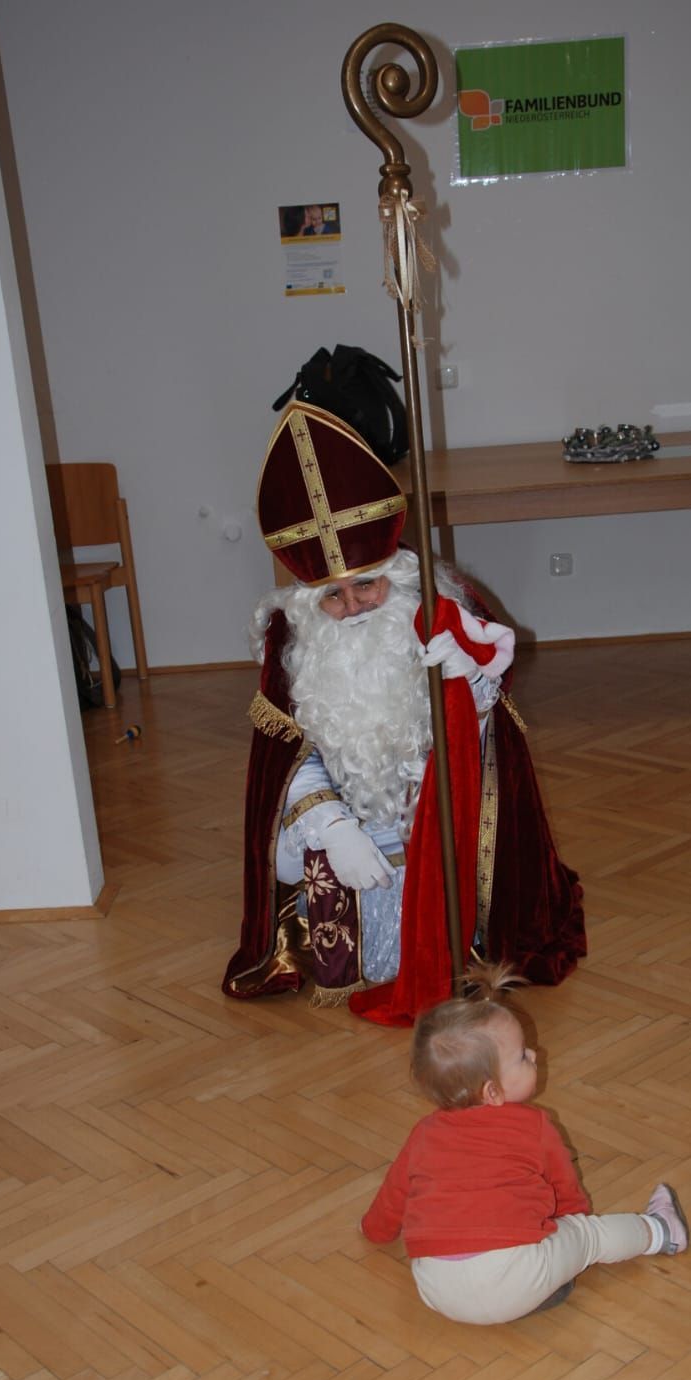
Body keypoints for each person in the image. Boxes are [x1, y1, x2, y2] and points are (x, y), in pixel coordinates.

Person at [222, 400, 586, 1023]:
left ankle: (451, 935)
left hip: (433, 813)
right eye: (332, 597)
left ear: (399, 575)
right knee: (295, 847)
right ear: (309, 602)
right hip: (347, 820)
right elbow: (287, 759)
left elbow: (490, 742)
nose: (355, 605)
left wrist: (468, 682)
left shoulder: (439, 614)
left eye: (367, 584)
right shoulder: (296, 642)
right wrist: (331, 827)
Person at [361, 967, 689, 1324]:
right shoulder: (534, 1126)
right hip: (515, 1274)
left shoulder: (423, 1133)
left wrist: (374, 1230)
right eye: (521, 1056)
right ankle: (662, 1232)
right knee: (588, 1236)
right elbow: (567, 1193)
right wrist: (571, 1229)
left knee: (533, 1261)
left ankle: (538, 1287)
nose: (533, 1054)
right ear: (492, 1091)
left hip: (437, 1289)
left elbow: (394, 1194)